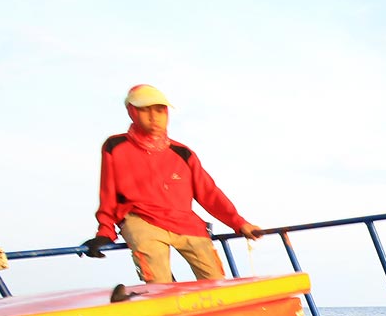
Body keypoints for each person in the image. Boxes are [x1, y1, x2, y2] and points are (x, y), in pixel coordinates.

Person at [81, 84, 262, 283]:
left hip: (186, 222)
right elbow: (108, 194)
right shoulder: (115, 146)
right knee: (158, 282)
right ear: (132, 112)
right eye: (144, 109)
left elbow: (208, 193)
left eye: (160, 110)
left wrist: (239, 223)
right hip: (141, 219)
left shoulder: (182, 153)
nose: (154, 116)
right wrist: (105, 232)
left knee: (215, 280)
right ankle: (160, 303)